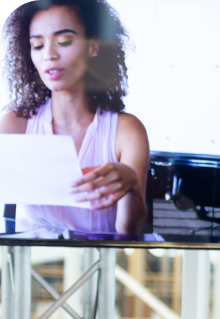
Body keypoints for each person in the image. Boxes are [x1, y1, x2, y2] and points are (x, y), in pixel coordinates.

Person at [0, 0, 149, 235]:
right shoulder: (14, 125)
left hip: (101, 264)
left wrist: (131, 187)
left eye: (64, 41)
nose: (49, 54)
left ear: (93, 46)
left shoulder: (126, 131)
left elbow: (129, 232)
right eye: (37, 45)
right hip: (28, 265)